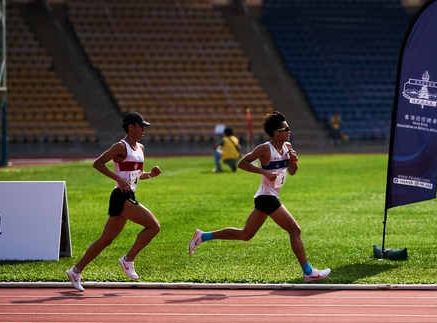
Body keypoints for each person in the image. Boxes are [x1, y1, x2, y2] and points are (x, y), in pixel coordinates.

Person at [189, 111, 331, 283]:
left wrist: (294, 161)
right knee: (295, 229)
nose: (289, 131)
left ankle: (203, 236)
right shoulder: (265, 148)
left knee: (245, 234)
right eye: (286, 129)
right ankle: (308, 272)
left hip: (268, 196)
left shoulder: (287, 147)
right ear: (276, 132)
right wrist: (263, 171)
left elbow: (292, 172)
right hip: (266, 196)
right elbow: (243, 163)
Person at [65, 112, 162, 291]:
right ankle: (128, 259)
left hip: (128, 196)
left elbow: (135, 175)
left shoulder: (140, 148)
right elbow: (98, 163)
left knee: (106, 240)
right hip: (121, 196)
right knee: (154, 226)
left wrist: (150, 175)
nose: (143, 130)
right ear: (131, 127)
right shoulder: (120, 146)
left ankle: (75, 270)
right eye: (141, 127)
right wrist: (117, 178)